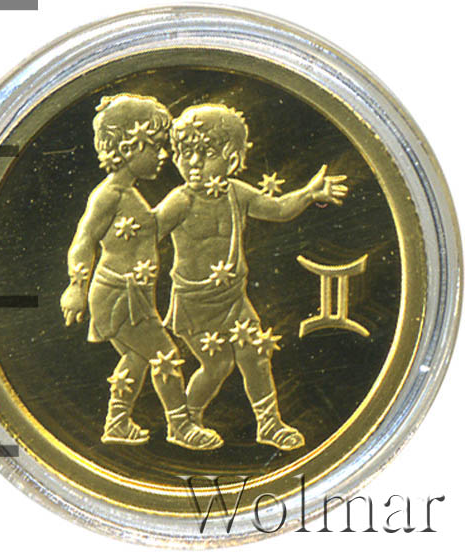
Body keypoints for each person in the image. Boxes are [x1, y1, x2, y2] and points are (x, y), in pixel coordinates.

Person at [154, 104, 348, 450]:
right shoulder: (179, 201)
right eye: (185, 153)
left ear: (231, 159)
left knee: (256, 356)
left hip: (232, 298)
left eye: (206, 153)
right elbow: (146, 235)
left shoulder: (237, 193)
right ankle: (184, 422)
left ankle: (269, 424)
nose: (193, 162)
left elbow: (277, 209)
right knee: (217, 365)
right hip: (195, 304)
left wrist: (308, 194)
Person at [60, 94, 222, 450]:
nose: (163, 155)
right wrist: (75, 286)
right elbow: (84, 239)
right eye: (156, 146)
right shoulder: (109, 195)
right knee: (166, 355)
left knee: (136, 357)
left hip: (132, 294)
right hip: (119, 295)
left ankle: (117, 422)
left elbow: (148, 231)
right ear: (128, 147)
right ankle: (180, 426)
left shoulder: (129, 194)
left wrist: (181, 200)